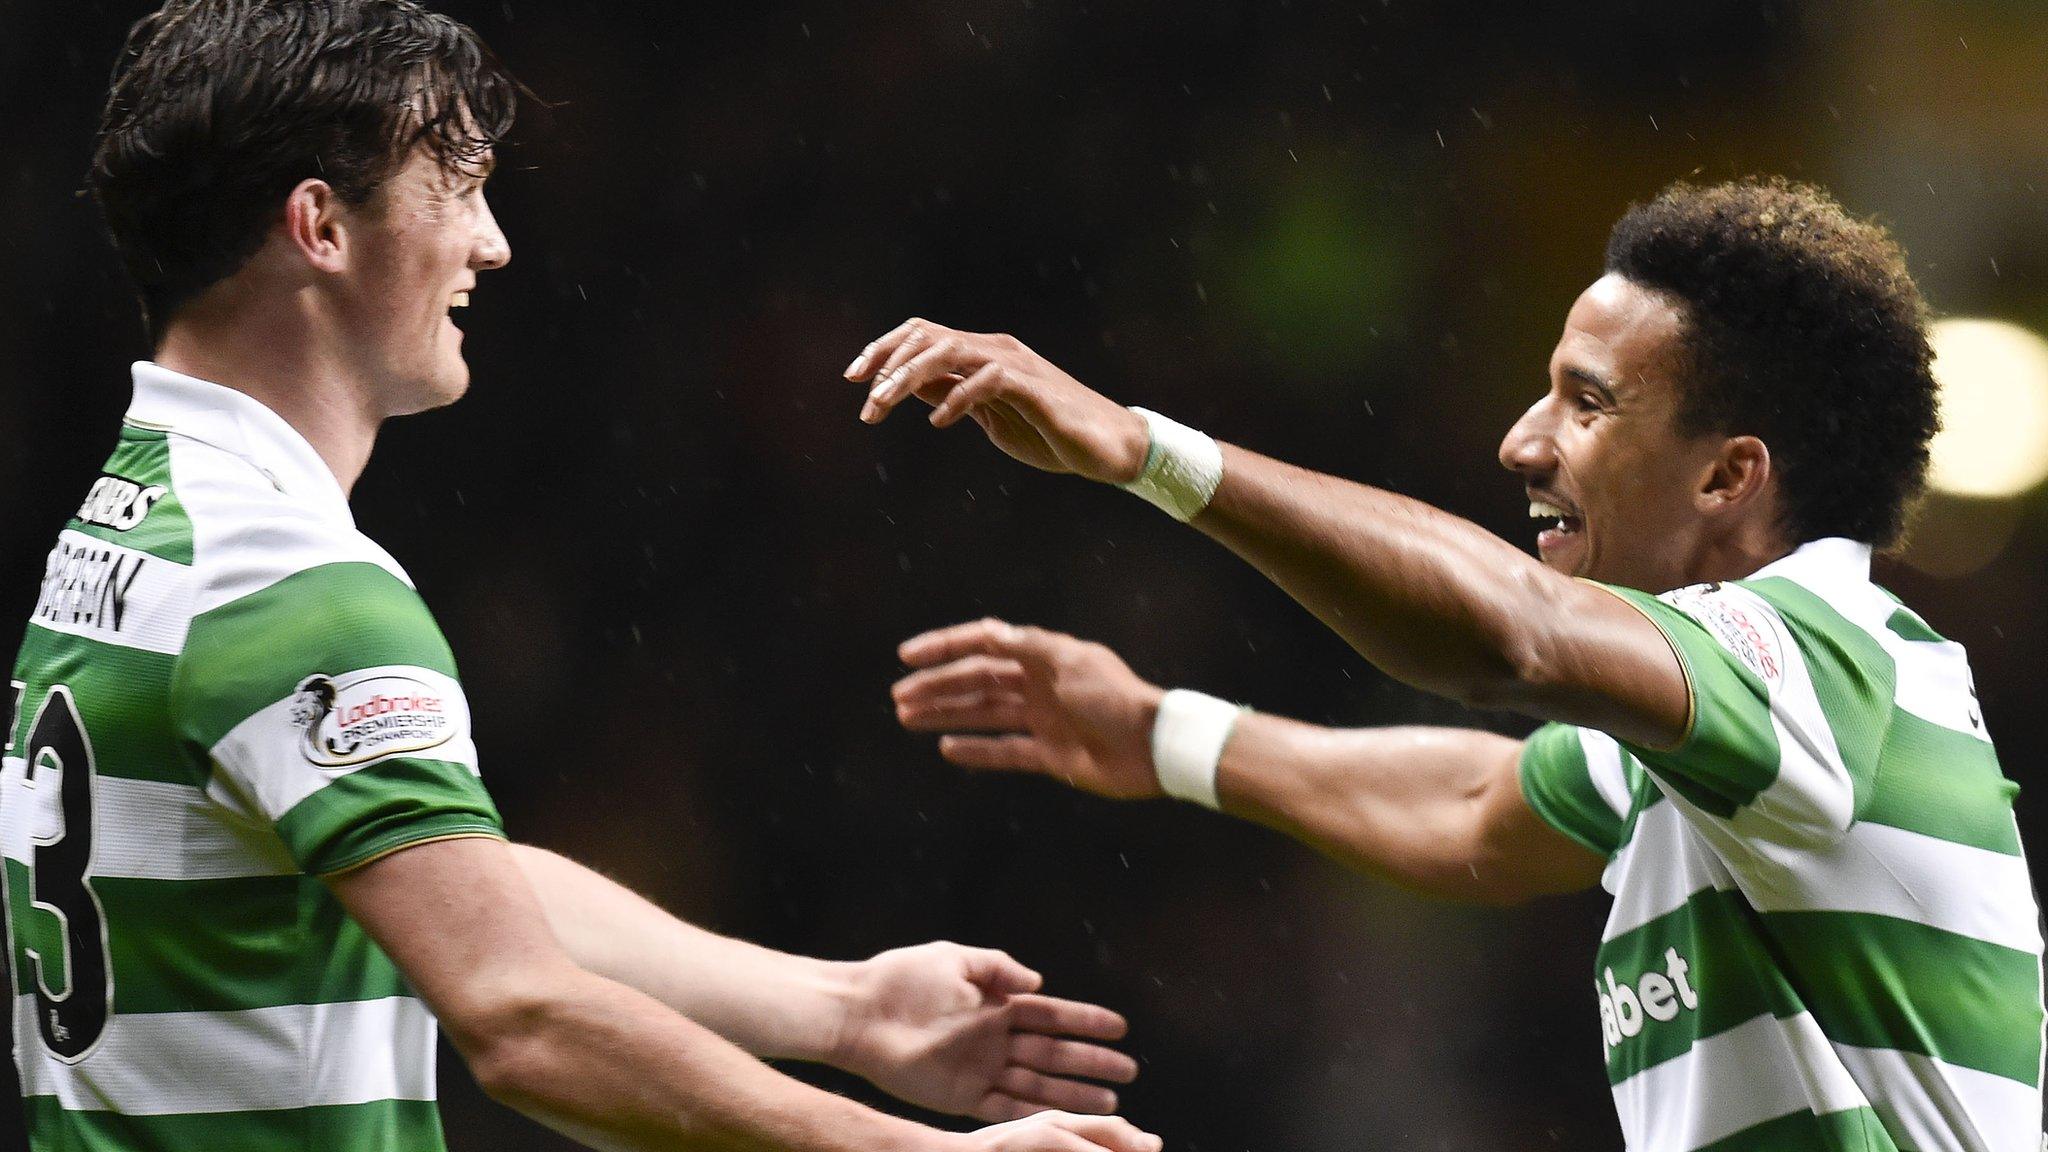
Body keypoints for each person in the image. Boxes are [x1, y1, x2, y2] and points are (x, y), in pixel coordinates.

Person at [0, 3, 1163, 1151]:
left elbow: (441, 881)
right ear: (321, 225)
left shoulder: (131, 525)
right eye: (453, 187)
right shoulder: (295, 587)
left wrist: (843, 1010)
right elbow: (520, 1019)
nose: (491, 242)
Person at [850, 180, 2044, 1151]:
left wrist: (1143, 451)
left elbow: (1511, 633)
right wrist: (1161, 731)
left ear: (1726, 477)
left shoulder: (1824, 662)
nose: (1519, 441)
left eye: (1585, 404)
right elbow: (1477, 806)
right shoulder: (1702, 733)